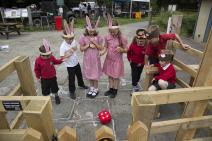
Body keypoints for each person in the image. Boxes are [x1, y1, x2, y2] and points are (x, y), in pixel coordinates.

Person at [60, 19, 88, 100]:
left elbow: (75, 47)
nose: (71, 40)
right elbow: (62, 57)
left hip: (76, 62)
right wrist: (67, 54)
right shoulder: (62, 46)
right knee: (71, 78)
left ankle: (81, 84)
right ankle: (72, 91)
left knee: (79, 74)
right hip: (69, 65)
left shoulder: (73, 41)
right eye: (69, 39)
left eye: (72, 38)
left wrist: (73, 49)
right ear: (65, 38)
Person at [102, 14, 128, 98]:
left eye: (114, 31)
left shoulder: (122, 38)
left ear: (118, 29)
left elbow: (127, 49)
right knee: (110, 75)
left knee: (115, 76)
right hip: (109, 60)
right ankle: (110, 89)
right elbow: (106, 46)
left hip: (117, 61)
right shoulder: (107, 37)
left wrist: (122, 49)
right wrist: (103, 52)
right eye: (110, 31)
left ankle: (115, 90)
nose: (112, 33)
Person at [79, 16, 103, 98]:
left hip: (95, 60)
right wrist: (88, 45)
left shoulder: (98, 37)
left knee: (95, 74)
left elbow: (101, 48)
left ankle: (96, 89)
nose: (91, 33)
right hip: (87, 60)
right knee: (89, 74)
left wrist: (95, 43)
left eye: (93, 32)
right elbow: (81, 49)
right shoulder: (83, 37)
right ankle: (91, 88)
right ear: (87, 29)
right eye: (90, 31)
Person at [34, 39, 63, 104]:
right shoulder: (38, 60)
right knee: (45, 90)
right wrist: (38, 77)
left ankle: (56, 96)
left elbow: (56, 61)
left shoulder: (51, 57)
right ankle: (46, 99)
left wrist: (62, 60)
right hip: (44, 78)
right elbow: (36, 69)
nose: (49, 56)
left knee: (55, 88)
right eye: (47, 56)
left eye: (49, 54)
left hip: (52, 76)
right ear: (42, 55)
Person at [127, 28, 148, 94]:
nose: (140, 43)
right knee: (134, 74)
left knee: (139, 74)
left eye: (142, 42)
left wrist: (142, 63)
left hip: (141, 64)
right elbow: (128, 52)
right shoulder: (133, 45)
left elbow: (146, 57)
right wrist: (129, 59)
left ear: (145, 41)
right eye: (139, 41)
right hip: (133, 62)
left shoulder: (146, 47)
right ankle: (134, 86)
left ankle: (136, 82)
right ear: (136, 39)